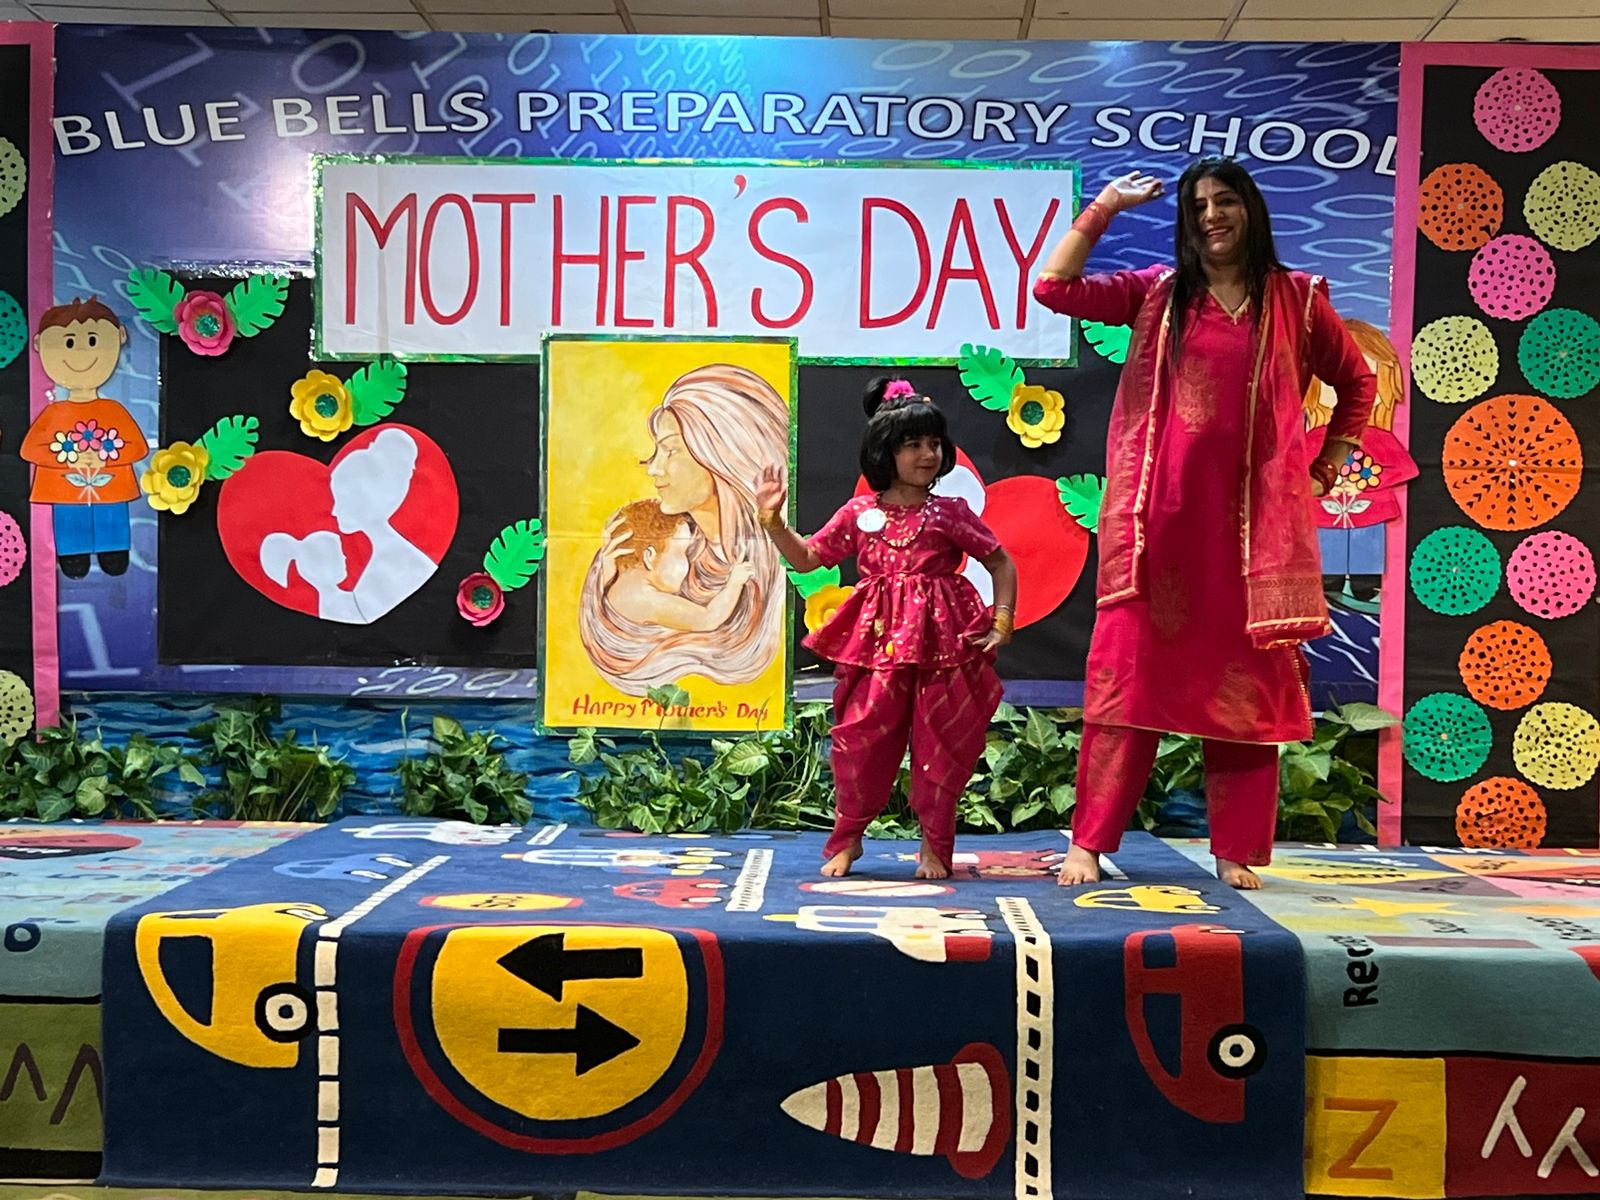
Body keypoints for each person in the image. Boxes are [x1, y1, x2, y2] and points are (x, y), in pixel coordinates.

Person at [1034, 160, 1375, 890]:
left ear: (1250, 209)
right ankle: (1089, 843)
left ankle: (1235, 850)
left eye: (1224, 202)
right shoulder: (1158, 294)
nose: (1212, 216)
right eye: (1197, 206)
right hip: (1158, 532)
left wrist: (1324, 466)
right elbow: (1052, 287)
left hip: (1254, 538)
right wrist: (1106, 206)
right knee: (1127, 688)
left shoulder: (1298, 300)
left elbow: (1358, 381)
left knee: (1246, 695)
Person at [754, 377, 1018, 880]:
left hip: (944, 649)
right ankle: (848, 839)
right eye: (913, 444)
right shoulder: (859, 514)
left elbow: (1001, 562)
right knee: (860, 743)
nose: (928, 454)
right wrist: (773, 523)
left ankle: (935, 848)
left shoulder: (950, 513)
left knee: (940, 747)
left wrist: (1001, 619)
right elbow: (807, 559)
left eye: (934, 443)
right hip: (877, 649)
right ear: (884, 451)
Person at [579, 364, 787, 696]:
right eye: (656, 451)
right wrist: (603, 579)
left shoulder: (770, 561)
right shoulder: (645, 541)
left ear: (722, 454)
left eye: (671, 450)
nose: (654, 468)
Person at [20, 298, 148, 578]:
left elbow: (137, 447)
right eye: (68, 343)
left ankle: (113, 549)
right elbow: (30, 449)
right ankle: (73, 552)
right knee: (69, 517)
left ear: (120, 336)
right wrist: (70, 458)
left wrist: (104, 457)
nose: (80, 353)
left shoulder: (114, 410)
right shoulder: (54, 412)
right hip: (64, 490)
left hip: (111, 488)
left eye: (92, 340)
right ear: (40, 344)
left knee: (111, 515)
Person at [603, 498, 757, 632]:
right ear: (649, 557)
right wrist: (734, 583)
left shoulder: (611, 588)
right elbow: (708, 619)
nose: (688, 564)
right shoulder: (647, 600)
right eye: (681, 552)